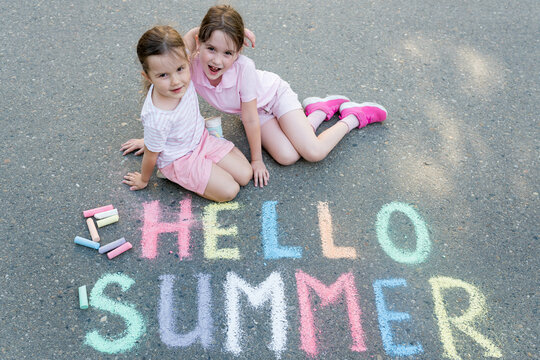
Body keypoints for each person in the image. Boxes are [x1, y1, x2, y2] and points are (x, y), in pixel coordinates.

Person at [182, 5, 388, 187]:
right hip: (259, 111)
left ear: (238, 53)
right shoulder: (190, 65)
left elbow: (250, 118)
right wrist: (200, 31)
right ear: (198, 42)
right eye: (211, 49)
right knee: (287, 156)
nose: (217, 61)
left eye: (227, 53)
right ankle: (318, 111)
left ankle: (353, 116)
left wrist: (256, 160)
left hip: (276, 97)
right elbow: (168, 62)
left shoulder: (244, 68)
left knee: (313, 152)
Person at [121, 25, 252, 202]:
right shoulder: (157, 118)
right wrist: (143, 179)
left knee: (246, 174)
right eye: (163, 75)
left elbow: (196, 33)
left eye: (180, 69)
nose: (176, 81)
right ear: (148, 77)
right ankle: (172, 175)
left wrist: (229, 30)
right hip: (180, 159)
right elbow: (152, 154)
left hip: (201, 138)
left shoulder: (177, 55)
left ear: (187, 59)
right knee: (230, 191)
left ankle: (162, 146)